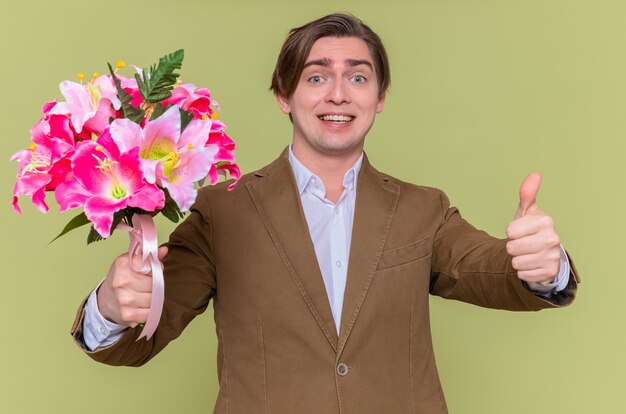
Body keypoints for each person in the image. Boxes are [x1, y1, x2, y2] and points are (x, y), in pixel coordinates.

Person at [72, 13, 579, 413]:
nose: (338, 93)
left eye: (358, 77)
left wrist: (541, 266)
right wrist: (112, 309)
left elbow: (489, 269)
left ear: (379, 99)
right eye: (317, 77)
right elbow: (142, 337)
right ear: (284, 96)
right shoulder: (222, 211)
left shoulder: (423, 208)